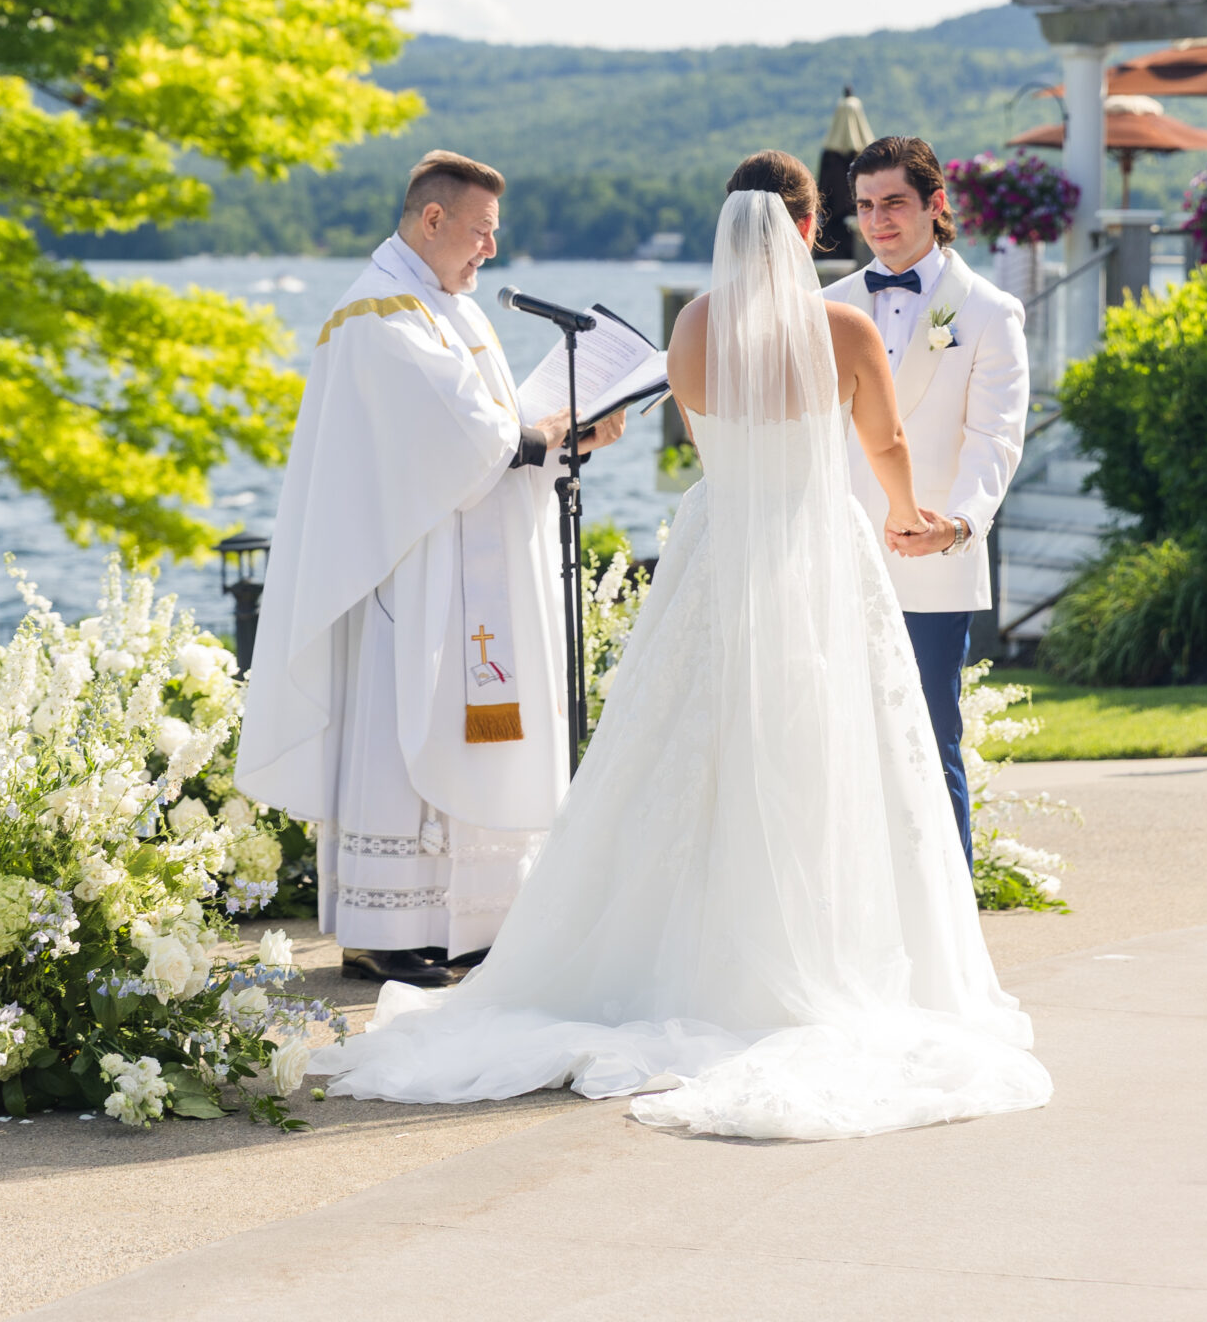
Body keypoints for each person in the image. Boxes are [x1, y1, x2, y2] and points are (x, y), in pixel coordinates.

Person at [313, 153, 1052, 1141]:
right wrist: (912, 507)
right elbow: (881, 446)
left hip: (718, 545)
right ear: (804, 226)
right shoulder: (844, 327)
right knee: (823, 745)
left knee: (681, 744)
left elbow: (700, 438)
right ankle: (816, 947)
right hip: (809, 542)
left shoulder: (697, 324)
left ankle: (665, 947)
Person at [235, 149, 625, 988]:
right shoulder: (378, 315)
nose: (490, 248)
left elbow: (496, 429)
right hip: (406, 576)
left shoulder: (450, 307)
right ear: (433, 219)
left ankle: (473, 920)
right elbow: (465, 436)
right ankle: (388, 928)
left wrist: (568, 436)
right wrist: (548, 431)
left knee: (465, 728)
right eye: (481, 231)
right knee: (399, 734)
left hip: (462, 566)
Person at [823, 136, 1029, 863]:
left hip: (932, 559)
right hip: (835, 558)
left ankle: (950, 925)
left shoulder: (989, 311)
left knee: (926, 739)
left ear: (934, 204)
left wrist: (960, 525)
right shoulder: (826, 308)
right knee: (833, 744)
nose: (877, 220)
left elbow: (994, 438)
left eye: (894, 203)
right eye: (866, 206)